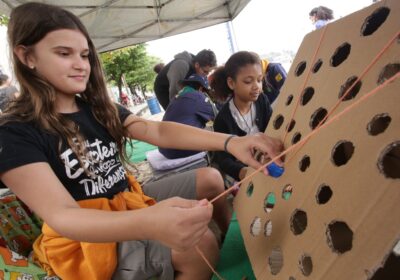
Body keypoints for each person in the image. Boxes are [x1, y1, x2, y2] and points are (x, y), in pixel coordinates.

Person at [0, 3, 283, 280]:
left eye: (84, 55)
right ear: (27, 57)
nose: (80, 65)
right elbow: (64, 216)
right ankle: (198, 260)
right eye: (64, 53)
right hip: (87, 239)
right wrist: (149, 224)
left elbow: (157, 132)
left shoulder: (98, 108)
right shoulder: (15, 132)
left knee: (211, 178)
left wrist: (231, 142)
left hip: (127, 200)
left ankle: (230, 241)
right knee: (199, 247)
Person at [211, 51, 278, 182]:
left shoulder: (262, 100)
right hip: (247, 174)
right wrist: (242, 172)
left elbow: (273, 128)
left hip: (269, 162)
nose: (256, 87)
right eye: (248, 81)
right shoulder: (223, 119)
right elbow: (224, 159)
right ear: (231, 83)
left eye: (259, 80)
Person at [159, 74, 217, 159]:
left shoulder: (177, 97)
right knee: (213, 128)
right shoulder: (198, 96)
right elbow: (216, 117)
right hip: (180, 149)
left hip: (164, 148)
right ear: (201, 88)